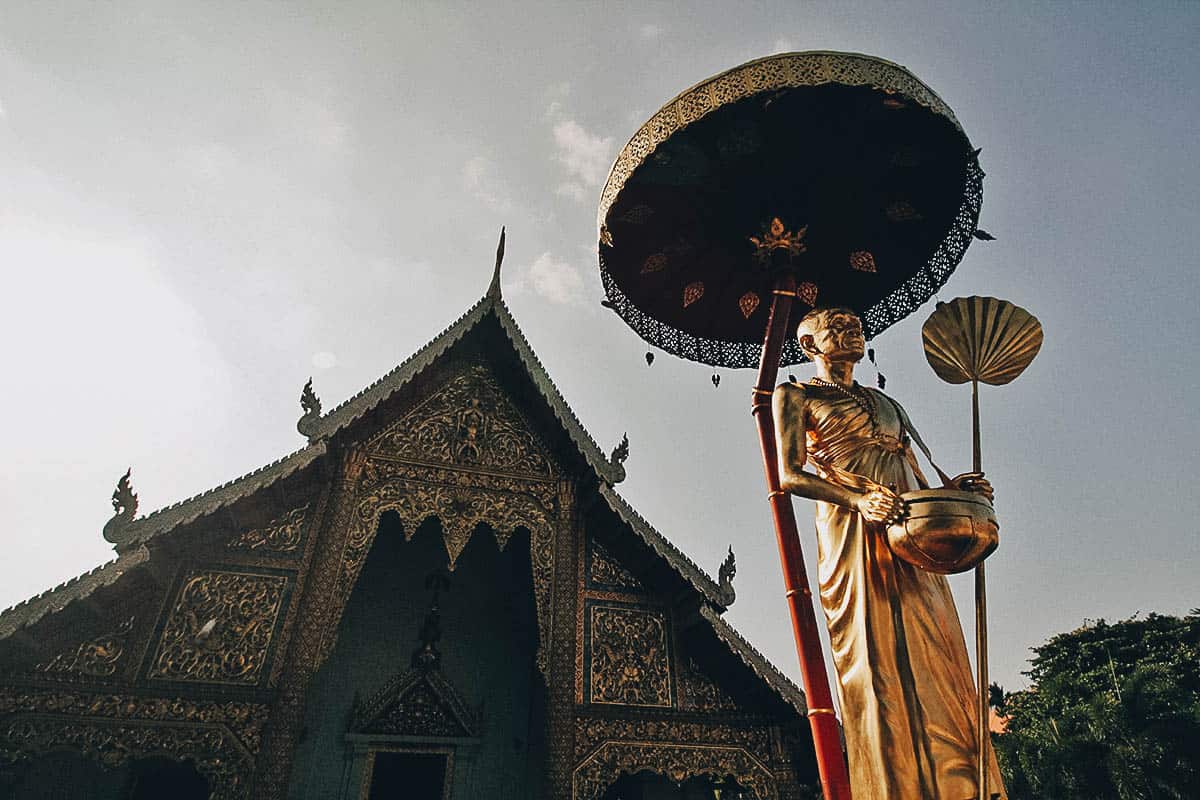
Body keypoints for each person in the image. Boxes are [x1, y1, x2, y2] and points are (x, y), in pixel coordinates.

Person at [772, 306, 1005, 799]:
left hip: (910, 526)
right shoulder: (797, 394)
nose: (852, 331)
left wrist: (956, 488)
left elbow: (913, 468)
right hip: (853, 525)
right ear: (809, 346)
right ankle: (891, 786)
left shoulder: (886, 402)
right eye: (837, 326)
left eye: (855, 324)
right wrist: (858, 499)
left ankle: (957, 785)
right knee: (875, 657)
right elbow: (790, 475)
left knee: (935, 648)